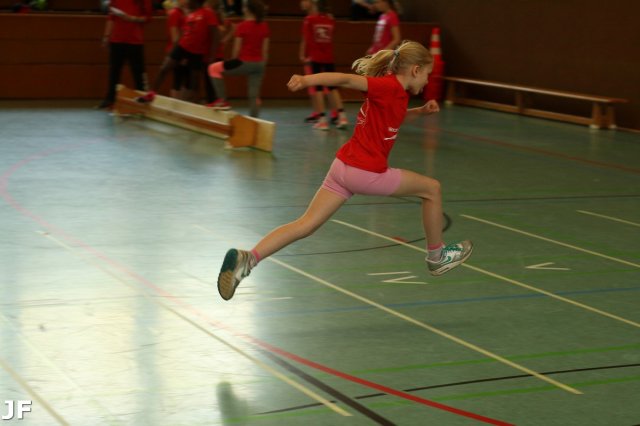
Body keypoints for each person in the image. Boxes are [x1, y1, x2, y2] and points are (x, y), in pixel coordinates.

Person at [216, 40, 473, 301]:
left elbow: (393, 117)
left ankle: (248, 259)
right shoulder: (386, 86)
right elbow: (346, 79)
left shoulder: (395, 93)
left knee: (305, 224)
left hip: (342, 168)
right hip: (366, 173)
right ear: (416, 70)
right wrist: (306, 80)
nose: (428, 81)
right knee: (432, 189)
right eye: (427, 74)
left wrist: (420, 111)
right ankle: (437, 256)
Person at [136, 0, 219, 104]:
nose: (187, 2)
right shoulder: (190, 14)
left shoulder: (208, 13)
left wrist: (212, 56)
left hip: (197, 51)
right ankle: (151, 94)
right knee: (164, 68)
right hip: (182, 46)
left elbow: (215, 36)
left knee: (194, 80)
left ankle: (193, 102)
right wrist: (174, 50)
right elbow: (185, 32)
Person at [207, 0, 270, 117]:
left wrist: (232, 64)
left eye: (244, 7)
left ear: (248, 10)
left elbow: (236, 50)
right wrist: (262, 67)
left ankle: (222, 100)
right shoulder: (264, 26)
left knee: (213, 68)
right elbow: (265, 51)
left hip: (243, 62)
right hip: (260, 64)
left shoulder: (242, 26)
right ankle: (255, 120)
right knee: (254, 95)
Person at [299, 0, 348, 130]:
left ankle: (322, 120)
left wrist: (306, 55)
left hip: (316, 58)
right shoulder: (331, 20)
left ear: (315, 5)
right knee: (333, 88)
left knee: (318, 89)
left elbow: (308, 39)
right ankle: (342, 117)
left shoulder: (309, 20)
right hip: (329, 58)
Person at [98, 0, 153, 110]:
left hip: (135, 41)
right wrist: (106, 36)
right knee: (114, 72)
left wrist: (131, 18)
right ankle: (110, 99)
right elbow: (111, 17)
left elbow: (147, 18)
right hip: (116, 39)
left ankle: (142, 99)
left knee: (139, 72)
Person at [165, 0, 188, 99]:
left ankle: (182, 102)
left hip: (183, 49)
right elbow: (175, 37)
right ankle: (176, 103)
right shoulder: (175, 13)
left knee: (184, 79)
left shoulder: (184, 13)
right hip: (177, 50)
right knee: (178, 79)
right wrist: (180, 54)